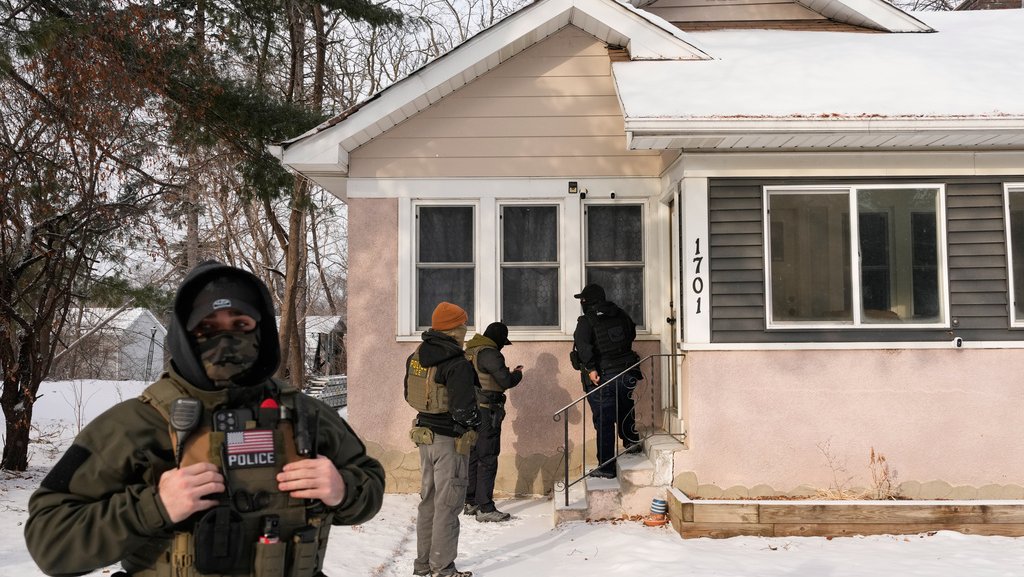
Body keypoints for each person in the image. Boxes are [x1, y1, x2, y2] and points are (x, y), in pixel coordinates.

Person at [24, 261, 385, 577]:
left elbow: (369, 482)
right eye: (207, 328)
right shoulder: (135, 425)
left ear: (262, 333)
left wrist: (343, 489)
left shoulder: (304, 414)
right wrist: (154, 506)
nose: (226, 340)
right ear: (184, 336)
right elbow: (50, 541)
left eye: (241, 324)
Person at [405, 302, 480, 577]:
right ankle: (443, 568)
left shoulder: (417, 355)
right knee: (448, 505)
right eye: (463, 325)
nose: (465, 330)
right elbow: (463, 409)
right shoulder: (456, 363)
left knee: (429, 501)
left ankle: (423, 565)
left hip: (425, 436)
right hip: (450, 441)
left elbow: (408, 394)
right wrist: (477, 424)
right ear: (454, 329)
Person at [571, 283, 642, 479]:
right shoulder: (620, 313)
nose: (582, 303)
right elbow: (631, 332)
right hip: (627, 371)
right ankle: (631, 442)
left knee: (604, 421)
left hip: (603, 375)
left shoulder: (586, 321)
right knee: (626, 406)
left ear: (588, 301)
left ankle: (607, 467)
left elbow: (583, 347)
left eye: (583, 300)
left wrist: (592, 368)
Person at [463, 322, 523, 523]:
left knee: (473, 454)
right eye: (503, 344)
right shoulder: (490, 353)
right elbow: (505, 381)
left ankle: (470, 501)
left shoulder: (470, 350)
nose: (503, 347)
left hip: (471, 409)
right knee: (487, 457)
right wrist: (517, 374)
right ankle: (485, 507)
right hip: (488, 411)